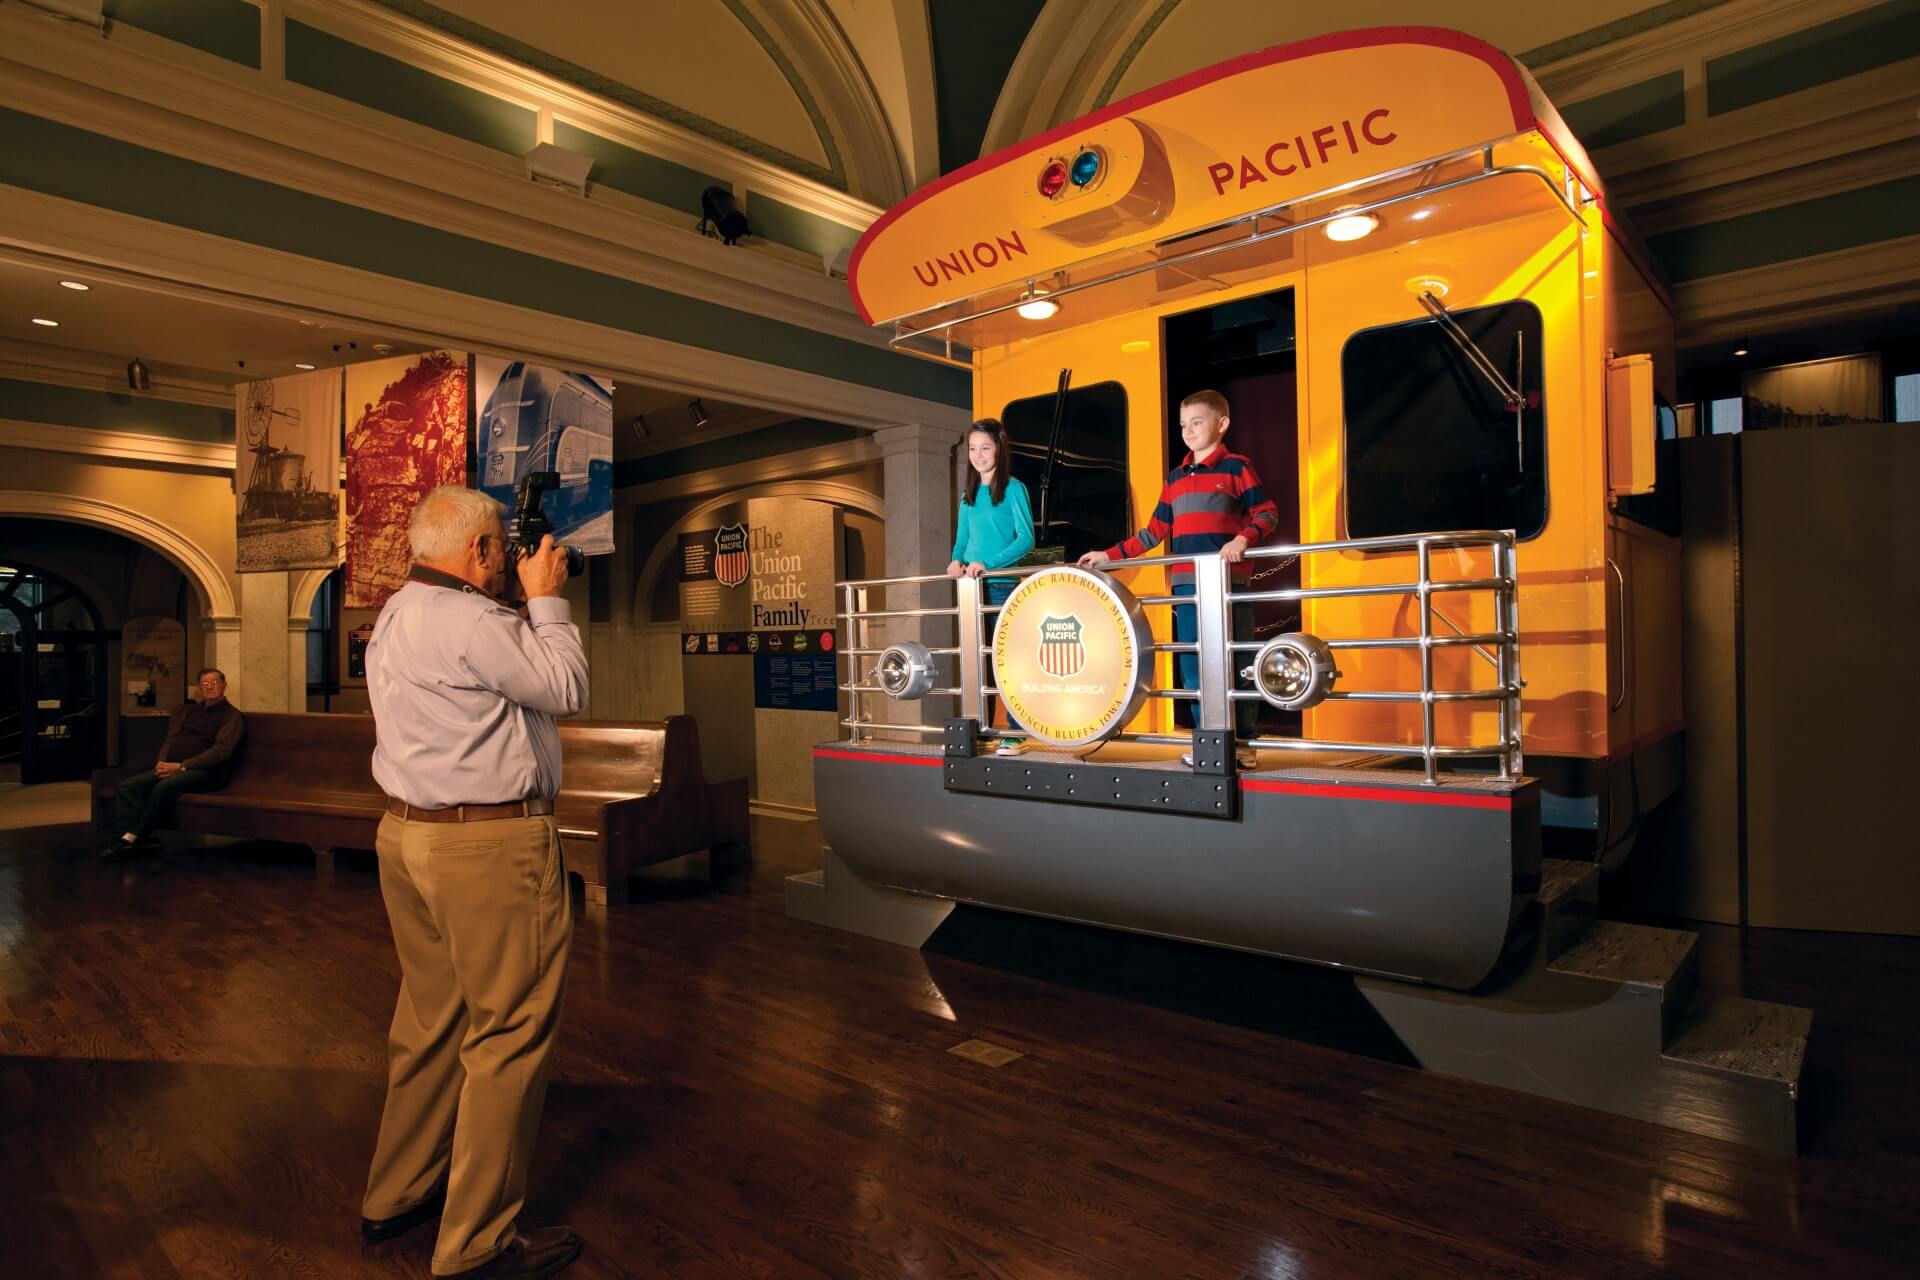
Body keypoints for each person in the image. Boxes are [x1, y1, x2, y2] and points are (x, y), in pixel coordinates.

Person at [358, 485, 588, 1280]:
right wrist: (547, 601)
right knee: (509, 1033)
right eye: (499, 549)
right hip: (487, 847)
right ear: (481, 552)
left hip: (409, 836)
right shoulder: (475, 621)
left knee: (429, 1023)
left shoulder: (394, 616)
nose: (508, 561)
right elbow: (565, 690)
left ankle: (398, 1193)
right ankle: (477, 1244)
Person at [1078, 389, 1279, 768]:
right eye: (1183, 425)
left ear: (1222, 424)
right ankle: (1210, 742)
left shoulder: (1237, 467)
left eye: (1197, 422)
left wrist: (1242, 538)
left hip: (1227, 585)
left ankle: (1243, 744)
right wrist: (1107, 555)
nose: (1188, 431)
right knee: (1193, 663)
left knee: (1237, 662)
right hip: (1187, 586)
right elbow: (1153, 532)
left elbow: (1266, 513)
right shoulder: (1176, 478)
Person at [946, 418, 1034, 747]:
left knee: (1004, 660)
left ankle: (1014, 731)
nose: (978, 455)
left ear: (999, 448)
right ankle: (982, 730)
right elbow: (963, 540)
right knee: (976, 661)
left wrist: (989, 565)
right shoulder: (967, 496)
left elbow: (1026, 540)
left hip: (1000, 584)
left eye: (985, 447)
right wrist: (956, 560)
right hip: (970, 588)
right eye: (972, 449)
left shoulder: (1014, 488)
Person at [102, 667, 244, 860]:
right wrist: (162, 762)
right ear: (199, 689)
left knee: (162, 788)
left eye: (215, 682)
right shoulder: (187, 711)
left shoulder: (232, 716)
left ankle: (131, 838)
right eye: (205, 684)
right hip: (172, 767)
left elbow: (221, 752)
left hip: (208, 772)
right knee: (128, 787)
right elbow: (170, 740)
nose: (210, 687)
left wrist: (183, 766)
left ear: (224, 685)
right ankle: (132, 839)